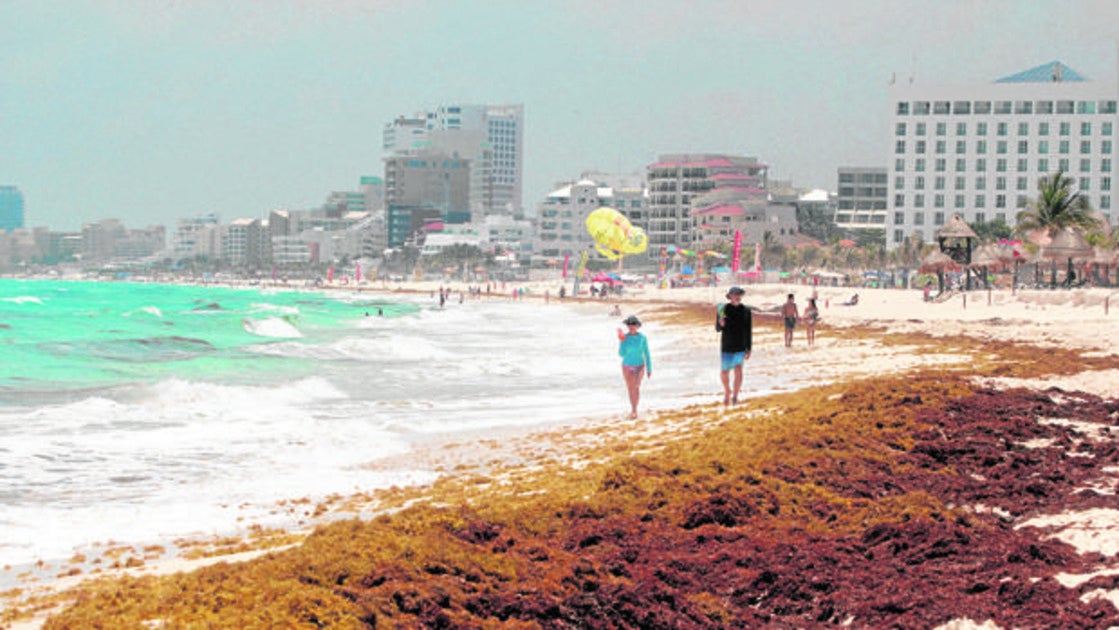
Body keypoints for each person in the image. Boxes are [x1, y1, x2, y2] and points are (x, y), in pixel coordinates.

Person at [716, 286, 752, 406]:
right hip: (727, 345)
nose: (737, 296)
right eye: (735, 294)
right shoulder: (723, 309)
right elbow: (717, 328)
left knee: (738, 369)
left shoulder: (746, 310)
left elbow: (748, 330)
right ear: (730, 296)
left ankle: (735, 396)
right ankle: (727, 391)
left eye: (739, 294)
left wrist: (749, 348)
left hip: (740, 346)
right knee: (724, 373)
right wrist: (721, 324)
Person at [617, 314, 652, 419]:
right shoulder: (625, 338)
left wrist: (649, 368)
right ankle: (633, 410)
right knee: (630, 388)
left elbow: (647, 353)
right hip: (627, 365)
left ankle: (634, 409)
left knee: (636, 386)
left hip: (640, 365)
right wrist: (622, 342)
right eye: (629, 324)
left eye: (633, 324)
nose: (631, 326)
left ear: (637, 326)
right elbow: (621, 354)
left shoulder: (642, 338)